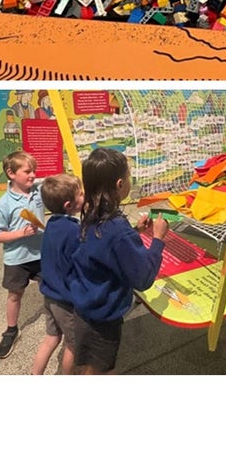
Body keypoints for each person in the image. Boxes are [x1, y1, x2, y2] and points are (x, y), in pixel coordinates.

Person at [69, 148, 168, 374]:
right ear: (120, 184)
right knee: (101, 370)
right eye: (130, 177)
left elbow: (103, 247)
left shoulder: (91, 213)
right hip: (102, 318)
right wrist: (158, 239)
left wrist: (134, 231)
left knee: (90, 365)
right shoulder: (117, 230)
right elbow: (143, 278)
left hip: (85, 307)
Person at [0, 151, 45, 359]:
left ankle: (58, 320)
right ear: (11, 173)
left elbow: (52, 181)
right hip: (17, 259)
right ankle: (11, 330)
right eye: (27, 171)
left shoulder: (38, 191)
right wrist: (19, 233)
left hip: (40, 253)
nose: (33, 175)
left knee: (51, 287)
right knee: (14, 294)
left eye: (34, 171)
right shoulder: (3, 204)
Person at [32, 172, 84, 375]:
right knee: (74, 345)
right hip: (65, 301)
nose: (84, 196)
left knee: (51, 338)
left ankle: (35, 374)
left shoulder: (52, 223)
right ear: (68, 205)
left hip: (49, 294)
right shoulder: (73, 231)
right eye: (80, 194)